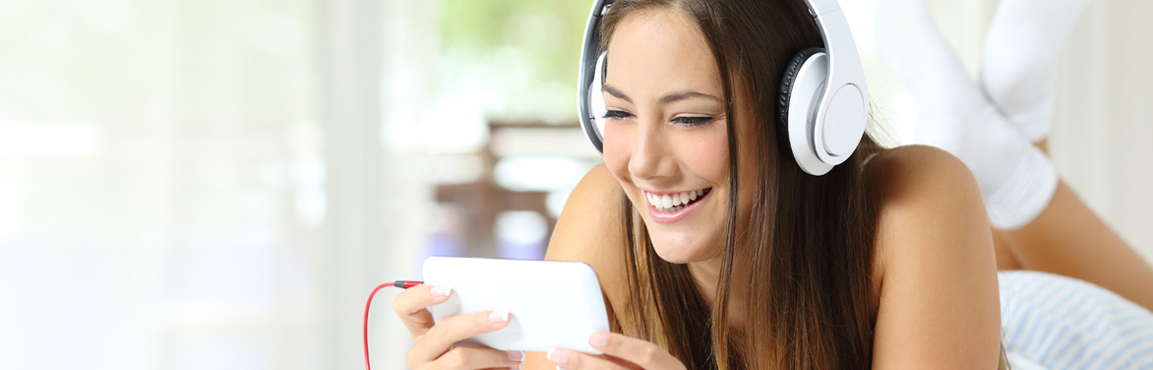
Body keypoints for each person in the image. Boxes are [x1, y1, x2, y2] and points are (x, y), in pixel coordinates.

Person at [391, 0, 1153, 369]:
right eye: (618, 113)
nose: (643, 163)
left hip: (1052, 343)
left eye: (690, 118)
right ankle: (1014, 132)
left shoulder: (917, 202)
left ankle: (1012, 166)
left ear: (809, 115)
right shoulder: (607, 209)